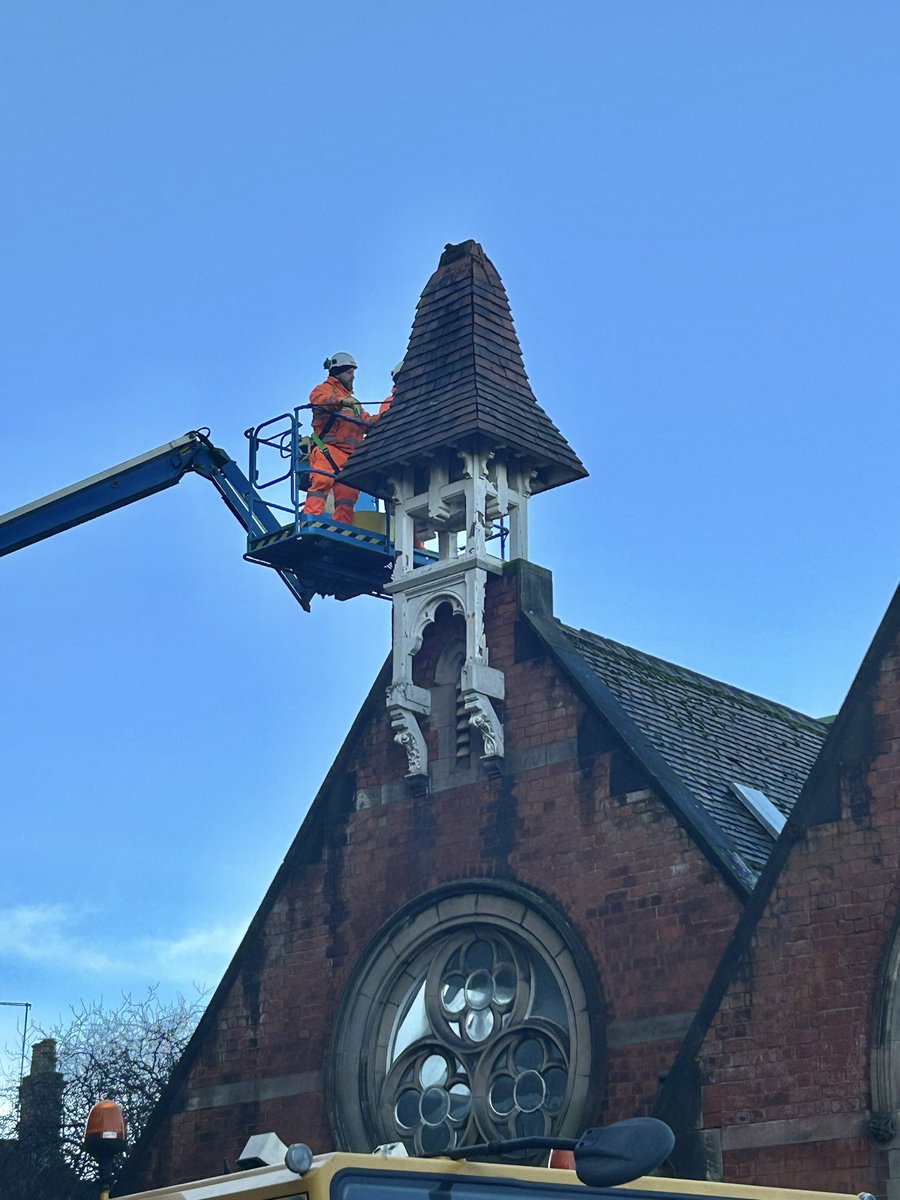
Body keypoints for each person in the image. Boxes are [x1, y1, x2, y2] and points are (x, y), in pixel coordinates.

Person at [302, 353, 391, 525]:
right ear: (339, 372)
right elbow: (319, 400)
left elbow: (367, 422)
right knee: (321, 483)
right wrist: (341, 401)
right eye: (350, 372)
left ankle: (343, 527)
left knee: (348, 496)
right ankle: (309, 520)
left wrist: (387, 416)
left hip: (350, 457)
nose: (353, 376)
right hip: (329, 450)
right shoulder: (325, 389)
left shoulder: (354, 403)